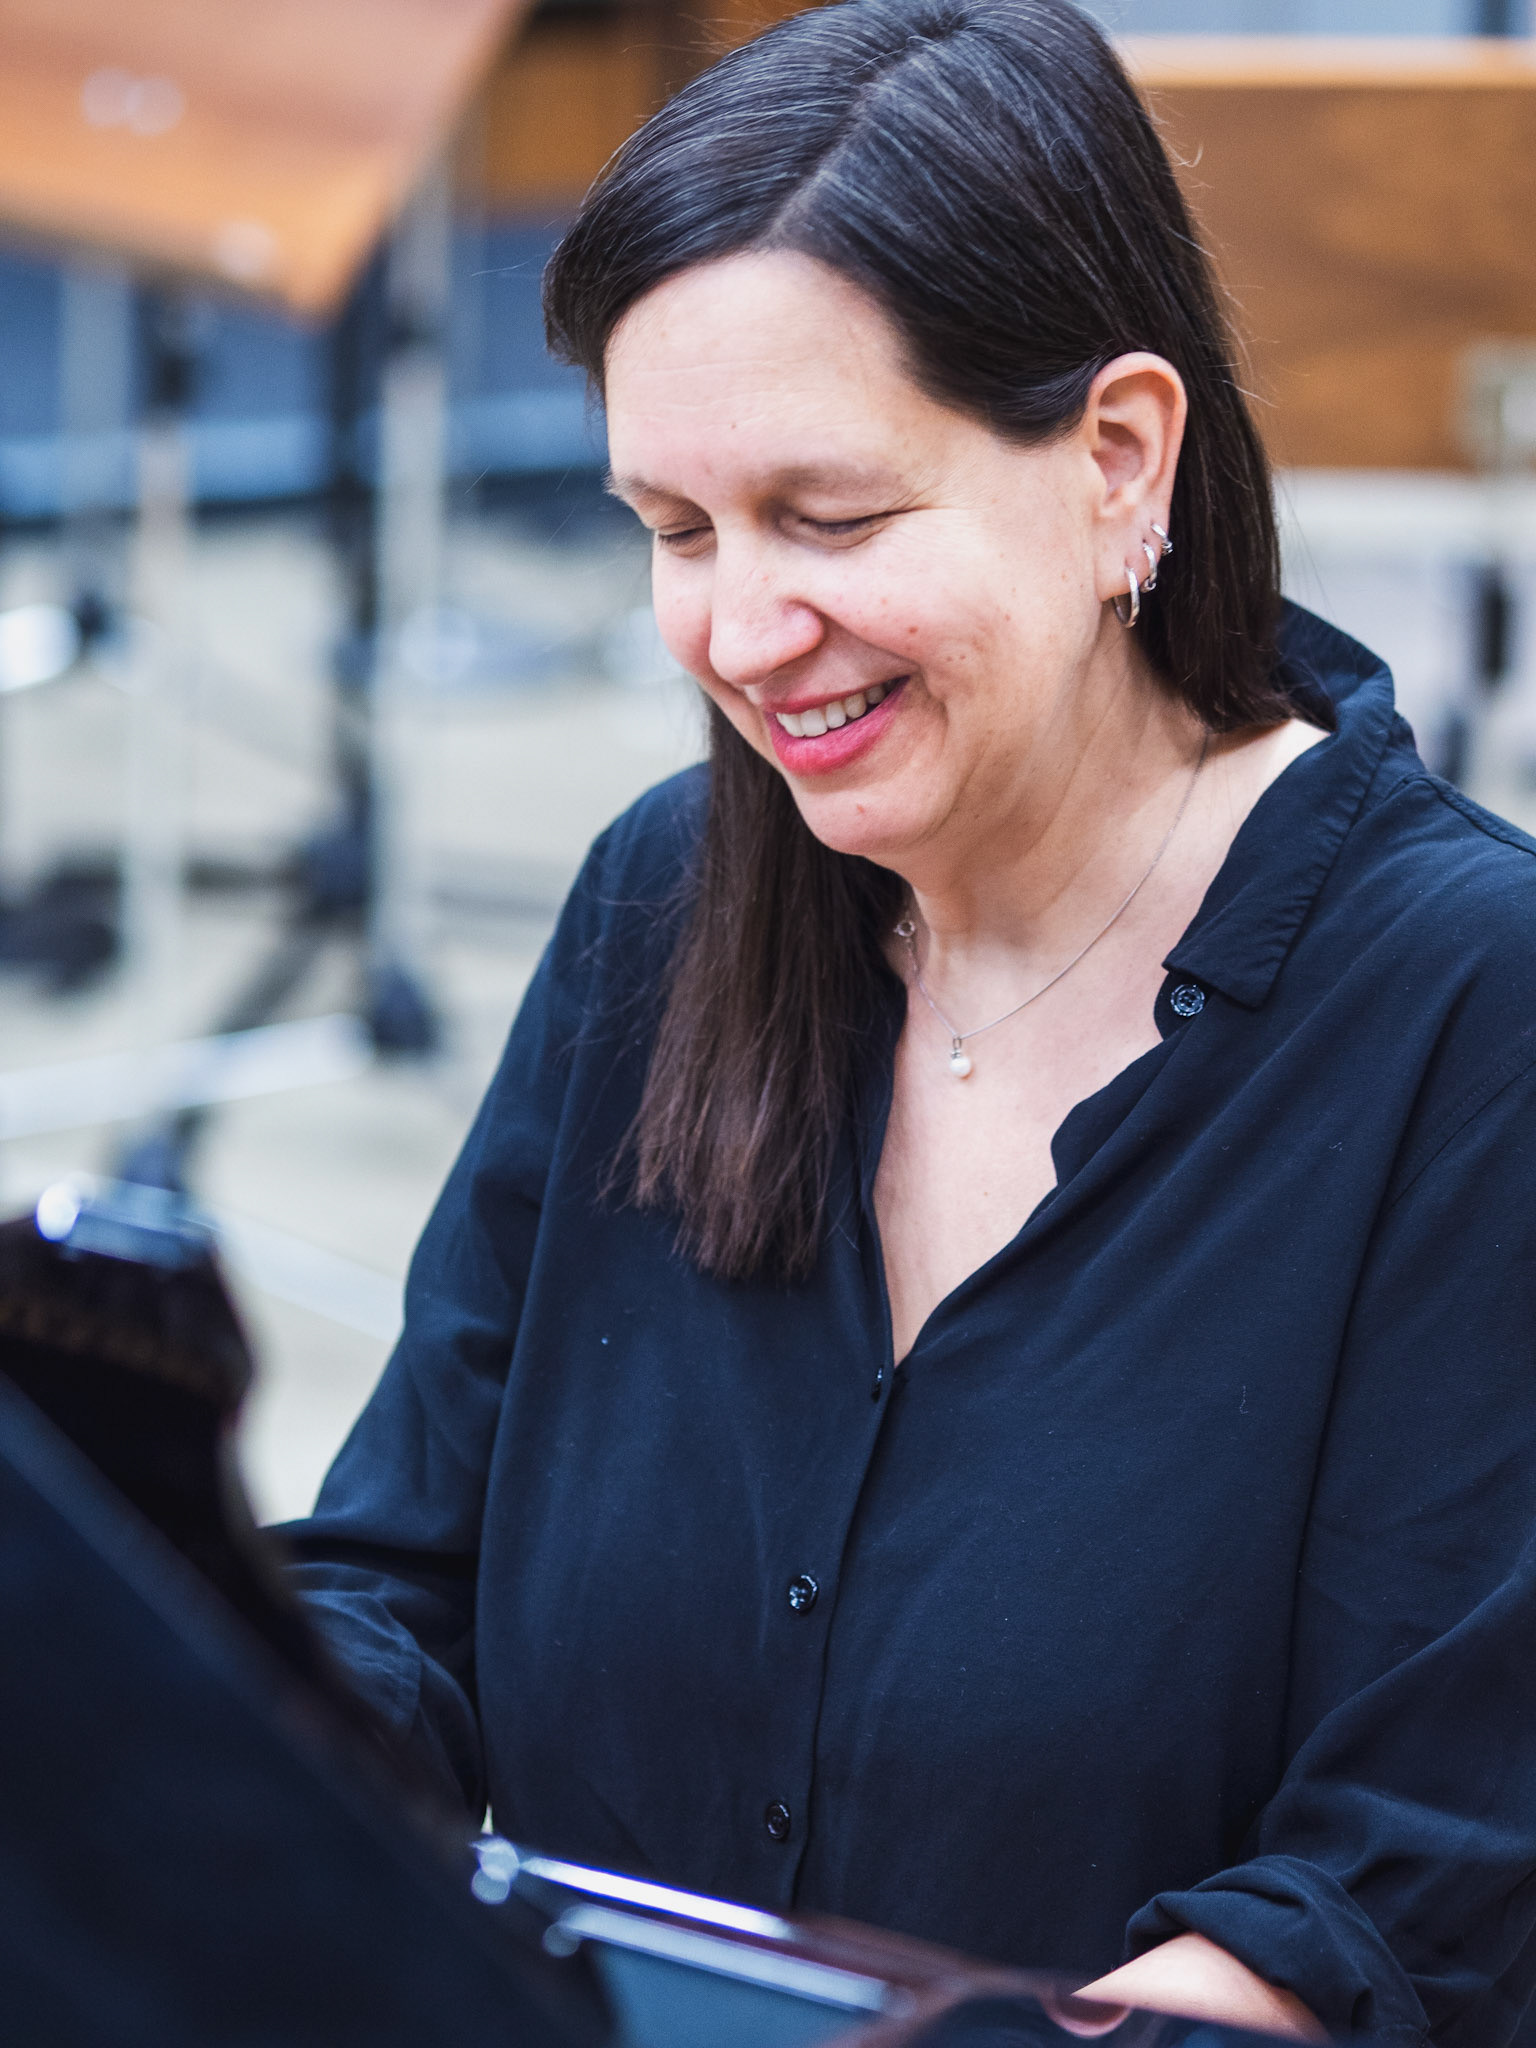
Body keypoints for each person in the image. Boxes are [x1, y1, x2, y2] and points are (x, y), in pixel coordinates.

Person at [287, 4, 1536, 2042]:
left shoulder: (1472, 1015)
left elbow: (1390, 1901)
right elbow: (396, 1588)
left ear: (1120, 460)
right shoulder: (660, 902)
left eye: (834, 518)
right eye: (675, 532)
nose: (740, 633)